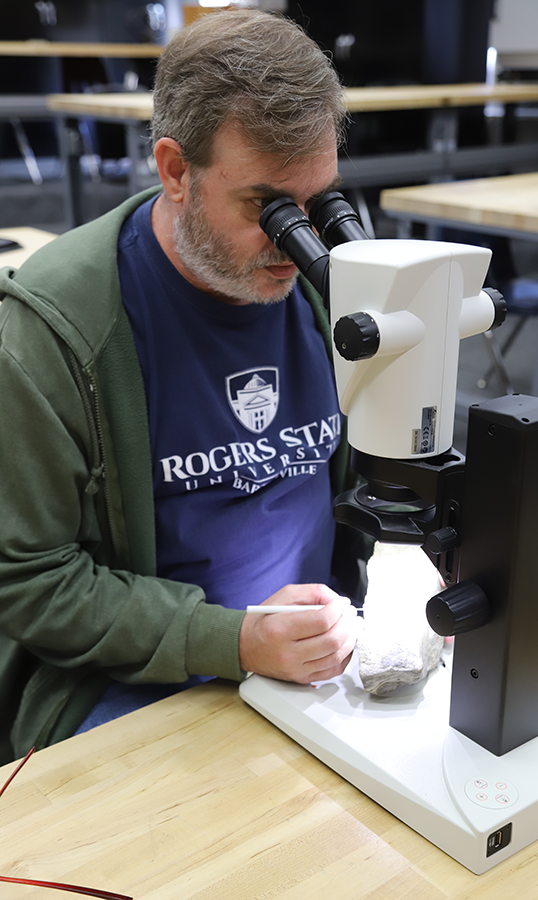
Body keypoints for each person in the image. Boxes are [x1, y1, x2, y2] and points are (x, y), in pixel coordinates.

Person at [0, 9, 368, 764]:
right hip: (133, 675)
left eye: (317, 204)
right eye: (265, 208)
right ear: (174, 170)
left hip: (311, 657)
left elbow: (377, 476)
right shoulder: (56, 325)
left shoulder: (328, 288)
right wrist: (231, 639)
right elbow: (30, 580)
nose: (295, 244)